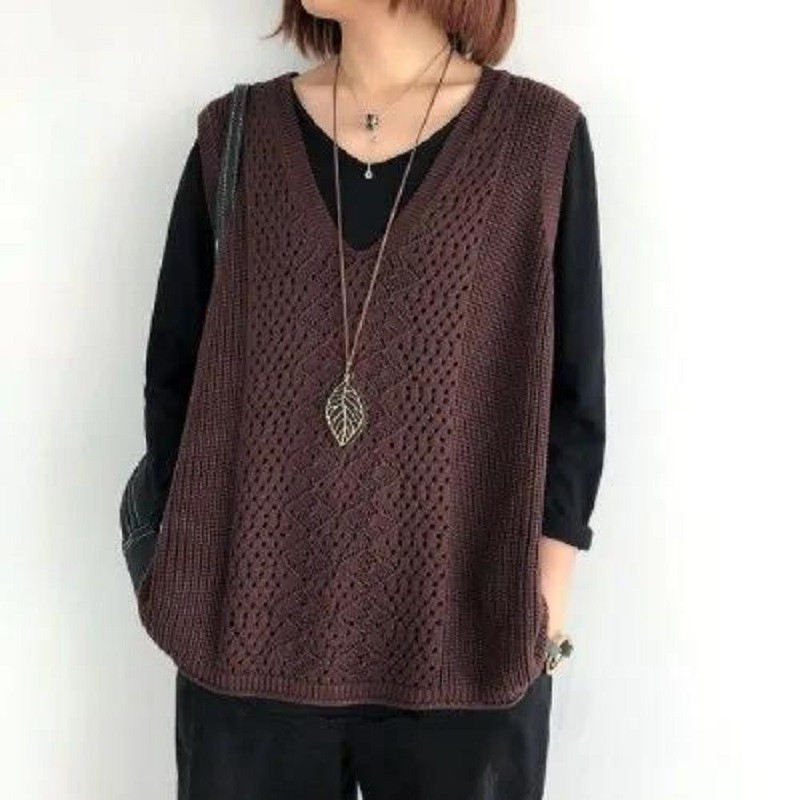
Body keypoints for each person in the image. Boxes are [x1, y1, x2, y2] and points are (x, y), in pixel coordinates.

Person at [121, 1, 605, 797]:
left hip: (465, 648)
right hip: (247, 648)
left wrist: (548, 599)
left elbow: (575, 392)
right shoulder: (236, 136)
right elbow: (174, 372)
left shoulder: (537, 140)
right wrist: (188, 563)